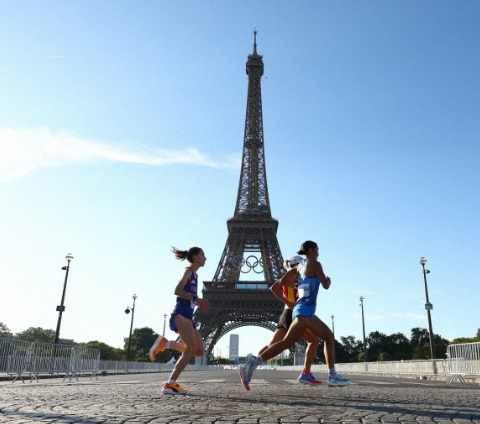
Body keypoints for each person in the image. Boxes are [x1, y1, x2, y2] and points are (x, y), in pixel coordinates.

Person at [239, 241, 350, 389]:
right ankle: (255, 361)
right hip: (304, 310)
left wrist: (299, 286)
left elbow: (283, 281)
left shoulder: (298, 267)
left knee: (327, 336)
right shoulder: (316, 264)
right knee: (287, 342)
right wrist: (328, 279)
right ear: (311, 251)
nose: (318, 252)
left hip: (303, 309)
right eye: (317, 249)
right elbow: (326, 285)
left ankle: (330, 375)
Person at [256, 255, 321, 387]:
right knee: (313, 340)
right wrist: (290, 303)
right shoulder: (295, 276)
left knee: (273, 345)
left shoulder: (294, 276)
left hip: (287, 313)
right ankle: (305, 373)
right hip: (293, 313)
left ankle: (250, 364)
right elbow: (274, 287)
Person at [161, 246, 211, 395]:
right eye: (203, 255)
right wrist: (196, 299)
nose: (205, 258)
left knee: (199, 350)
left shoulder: (195, 276)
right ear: (195, 257)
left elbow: (189, 296)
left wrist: (197, 303)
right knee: (190, 348)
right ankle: (170, 384)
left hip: (188, 314)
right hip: (181, 313)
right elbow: (177, 290)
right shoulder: (188, 271)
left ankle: (166, 344)